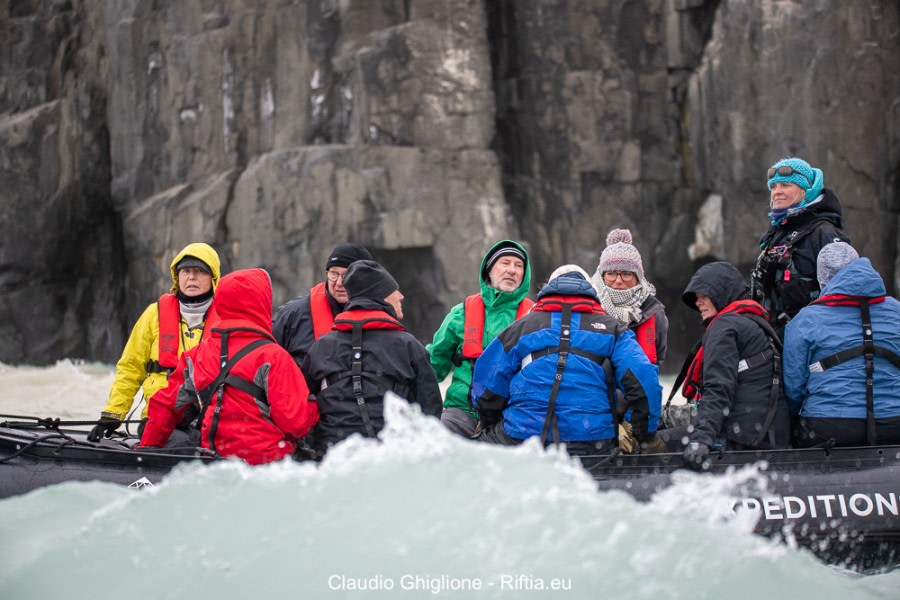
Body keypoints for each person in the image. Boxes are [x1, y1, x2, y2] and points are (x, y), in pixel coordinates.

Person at [469, 265, 664, 456]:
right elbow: (646, 380)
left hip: (523, 437)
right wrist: (641, 433)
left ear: (548, 290)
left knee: (473, 451)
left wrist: (488, 420)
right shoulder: (614, 330)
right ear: (593, 292)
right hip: (593, 441)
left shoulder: (521, 327)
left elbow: (487, 381)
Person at [140, 268, 319, 464]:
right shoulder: (274, 357)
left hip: (215, 464)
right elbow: (296, 423)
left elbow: (164, 406)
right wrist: (314, 405)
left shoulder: (197, 355)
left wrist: (145, 452)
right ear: (260, 302)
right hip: (268, 467)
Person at [301, 260, 443, 456]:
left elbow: (301, 403)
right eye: (395, 291)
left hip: (331, 456)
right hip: (390, 456)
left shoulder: (321, 347)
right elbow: (431, 411)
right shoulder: (408, 346)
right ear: (382, 297)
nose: (401, 296)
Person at [87, 243, 221, 442]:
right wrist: (112, 414)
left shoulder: (226, 317)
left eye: (200, 271)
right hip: (158, 419)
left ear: (213, 278)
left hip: (208, 419)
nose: (191, 277)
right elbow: (130, 368)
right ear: (177, 277)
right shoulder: (154, 314)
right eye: (186, 271)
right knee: (181, 444)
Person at [673, 261, 791, 470]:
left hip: (741, 440)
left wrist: (701, 440)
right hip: (771, 437)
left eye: (704, 296)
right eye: (697, 298)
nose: (698, 303)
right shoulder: (755, 323)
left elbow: (719, 388)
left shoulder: (724, 327)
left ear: (721, 293)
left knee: (656, 441)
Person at [783, 243, 900, 447]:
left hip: (829, 427)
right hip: (895, 422)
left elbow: (793, 387)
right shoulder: (897, 311)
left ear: (823, 279)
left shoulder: (806, 319)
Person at [427, 240, 533, 437]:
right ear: (489, 270)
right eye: (505, 263)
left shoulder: (535, 317)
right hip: (461, 412)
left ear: (524, 276)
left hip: (512, 416)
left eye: (519, 266)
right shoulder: (461, 314)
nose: (512, 270)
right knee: (435, 440)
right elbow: (433, 365)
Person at [749, 157, 850, 337]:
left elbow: (846, 294)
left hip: (813, 340)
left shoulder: (824, 233)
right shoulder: (776, 234)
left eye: (786, 185)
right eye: (773, 187)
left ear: (805, 190)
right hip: (775, 339)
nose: (777, 192)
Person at [273, 243, 373, 367]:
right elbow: (267, 362)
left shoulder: (383, 317)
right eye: (334, 274)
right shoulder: (292, 315)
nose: (339, 282)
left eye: (347, 275)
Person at [590, 228, 668, 365]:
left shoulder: (654, 311)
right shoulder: (589, 305)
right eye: (611, 273)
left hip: (635, 385)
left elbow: (658, 357)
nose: (618, 280)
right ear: (602, 276)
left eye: (626, 274)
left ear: (638, 277)